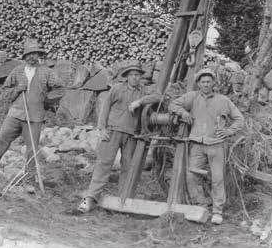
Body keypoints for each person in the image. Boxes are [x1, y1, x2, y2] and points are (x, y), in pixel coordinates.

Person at [0, 38, 64, 192]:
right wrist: (17, 89)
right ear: (24, 56)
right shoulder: (17, 71)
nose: (32, 57)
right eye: (29, 54)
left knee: (32, 149)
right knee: (1, 139)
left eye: (35, 53)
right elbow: (4, 94)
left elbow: (60, 89)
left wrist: (47, 101)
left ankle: (29, 179)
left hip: (35, 117)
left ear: (39, 55)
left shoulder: (47, 72)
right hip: (15, 114)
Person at [77, 61, 160, 213]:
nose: (135, 78)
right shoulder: (117, 89)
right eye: (132, 75)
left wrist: (140, 101)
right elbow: (105, 107)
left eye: (138, 75)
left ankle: (123, 201)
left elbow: (158, 97)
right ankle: (90, 199)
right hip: (112, 131)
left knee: (128, 167)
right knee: (104, 164)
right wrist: (101, 128)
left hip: (131, 135)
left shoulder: (143, 91)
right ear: (127, 76)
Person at [168, 68, 244, 225]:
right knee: (191, 176)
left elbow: (239, 119)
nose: (206, 84)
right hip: (196, 144)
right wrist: (183, 113)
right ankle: (201, 206)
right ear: (198, 84)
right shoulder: (192, 97)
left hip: (216, 145)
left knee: (217, 178)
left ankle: (217, 211)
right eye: (203, 82)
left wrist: (228, 131)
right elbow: (173, 104)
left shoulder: (223, 100)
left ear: (214, 83)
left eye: (209, 81)